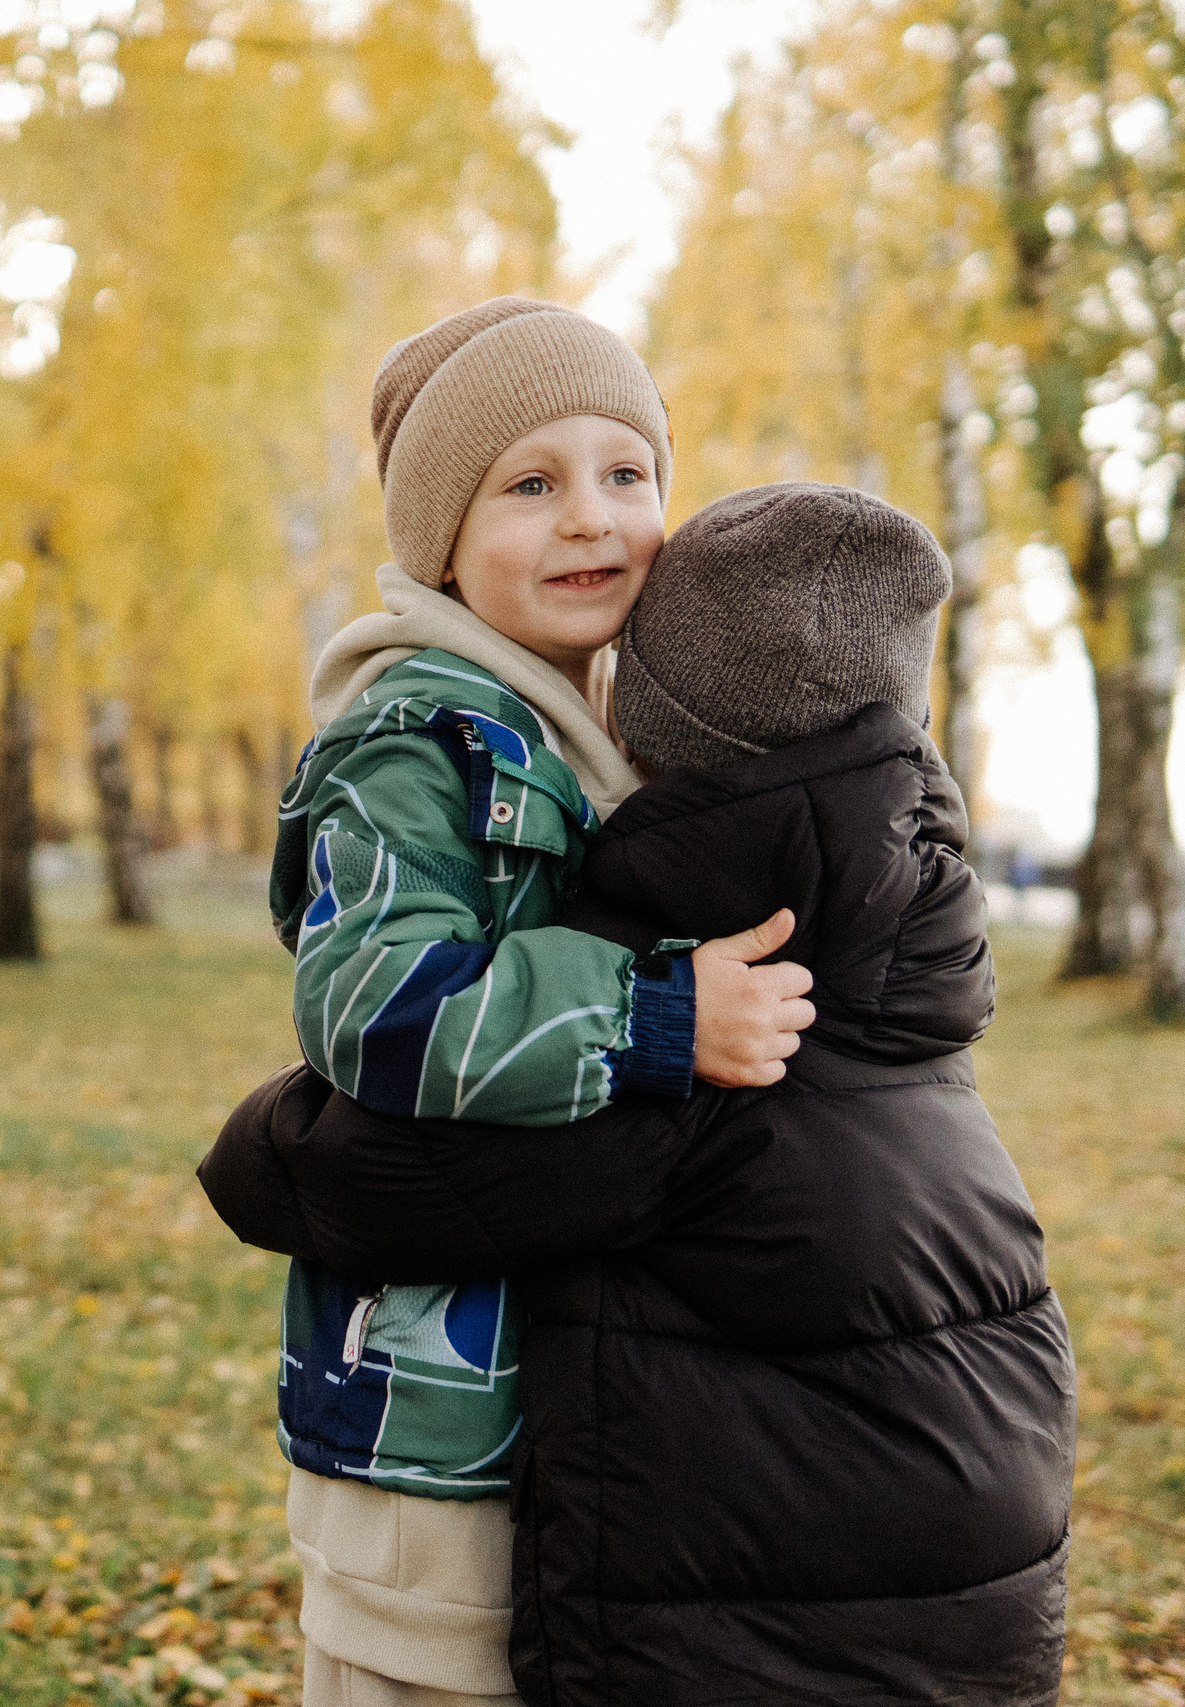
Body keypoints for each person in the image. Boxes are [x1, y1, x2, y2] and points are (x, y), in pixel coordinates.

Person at [205, 482, 1076, 1706]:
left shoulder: (724, 984)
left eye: (623, 475)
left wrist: (262, 1130)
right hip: (963, 1582)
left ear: (657, 715)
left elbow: (348, 1174)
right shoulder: (896, 923)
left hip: (777, 1632)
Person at [262, 298, 813, 1706]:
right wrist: (657, 1015)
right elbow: (383, 1002)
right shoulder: (411, 734)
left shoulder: (609, 730)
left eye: (627, 474)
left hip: (568, 1398)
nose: (592, 518)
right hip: (429, 1424)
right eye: (531, 483)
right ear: (438, 537)